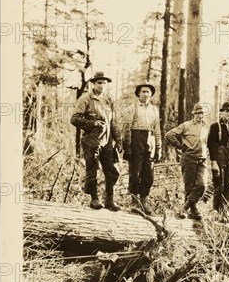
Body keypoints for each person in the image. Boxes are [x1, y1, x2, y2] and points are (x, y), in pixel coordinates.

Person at [70, 71, 122, 211]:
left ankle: (110, 200)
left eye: (104, 83)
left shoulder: (108, 100)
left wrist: (118, 140)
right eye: (99, 83)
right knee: (93, 170)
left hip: (107, 141)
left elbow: (113, 122)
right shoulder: (85, 99)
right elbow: (74, 119)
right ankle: (94, 199)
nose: (102, 85)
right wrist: (93, 123)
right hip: (92, 140)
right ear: (93, 83)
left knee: (112, 171)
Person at [165, 103, 209, 221]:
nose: (200, 116)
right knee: (189, 186)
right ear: (194, 114)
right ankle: (192, 210)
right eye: (198, 113)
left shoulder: (206, 127)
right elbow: (169, 134)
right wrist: (180, 145)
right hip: (189, 158)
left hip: (202, 159)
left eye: (202, 114)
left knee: (202, 185)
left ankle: (184, 207)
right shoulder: (186, 125)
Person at [122, 83, 161, 215]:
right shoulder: (132, 108)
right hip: (136, 140)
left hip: (149, 141)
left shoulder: (154, 110)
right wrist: (127, 147)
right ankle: (134, 202)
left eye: (148, 92)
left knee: (149, 175)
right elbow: (126, 128)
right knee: (135, 173)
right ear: (138, 93)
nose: (145, 94)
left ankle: (144, 201)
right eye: (143, 92)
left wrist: (158, 147)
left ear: (151, 95)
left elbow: (157, 130)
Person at [208, 101, 229, 216]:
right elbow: (211, 145)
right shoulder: (215, 126)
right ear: (222, 113)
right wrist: (214, 162)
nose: (228, 114)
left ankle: (225, 211)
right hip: (219, 159)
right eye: (226, 112)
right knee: (219, 186)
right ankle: (216, 210)